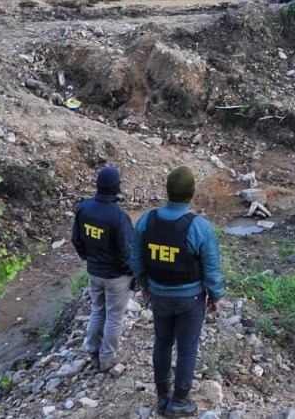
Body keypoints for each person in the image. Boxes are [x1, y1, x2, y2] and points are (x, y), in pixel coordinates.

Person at [131, 166, 225, 418]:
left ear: (167, 191)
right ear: (191, 194)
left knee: (161, 342)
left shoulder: (146, 220)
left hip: (159, 296)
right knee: (186, 349)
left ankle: (162, 397)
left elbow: (137, 259)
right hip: (190, 299)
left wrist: (144, 285)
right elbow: (211, 266)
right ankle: (180, 401)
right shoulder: (199, 226)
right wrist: (215, 296)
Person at [71, 166, 134, 373]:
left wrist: (88, 258)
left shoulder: (84, 208)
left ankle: (93, 351)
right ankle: (108, 358)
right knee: (115, 316)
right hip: (116, 277)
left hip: (94, 271)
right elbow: (126, 252)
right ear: (116, 188)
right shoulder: (118, 217)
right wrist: (133, 274)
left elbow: (76, 239)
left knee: (97, 311)